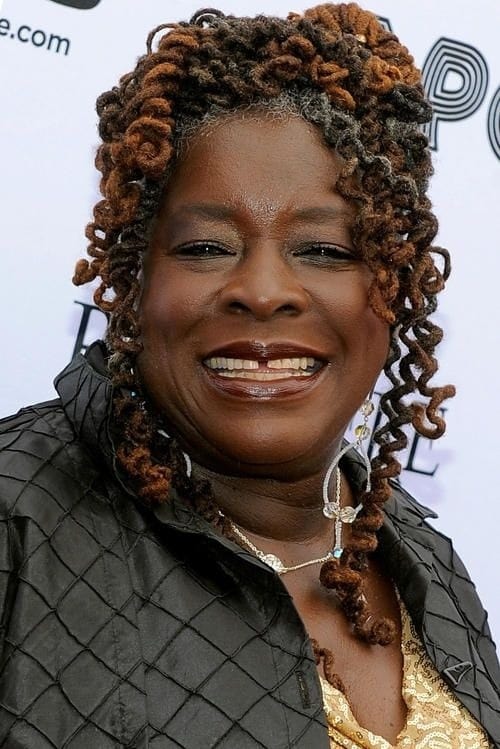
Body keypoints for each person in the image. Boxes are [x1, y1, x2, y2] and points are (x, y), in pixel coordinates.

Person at [0, 3, 499, 747]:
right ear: (133, 280)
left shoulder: (427, 563)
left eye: (325, 250)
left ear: (396, 289)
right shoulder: (17, 519)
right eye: (206, 247)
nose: (263, 291)